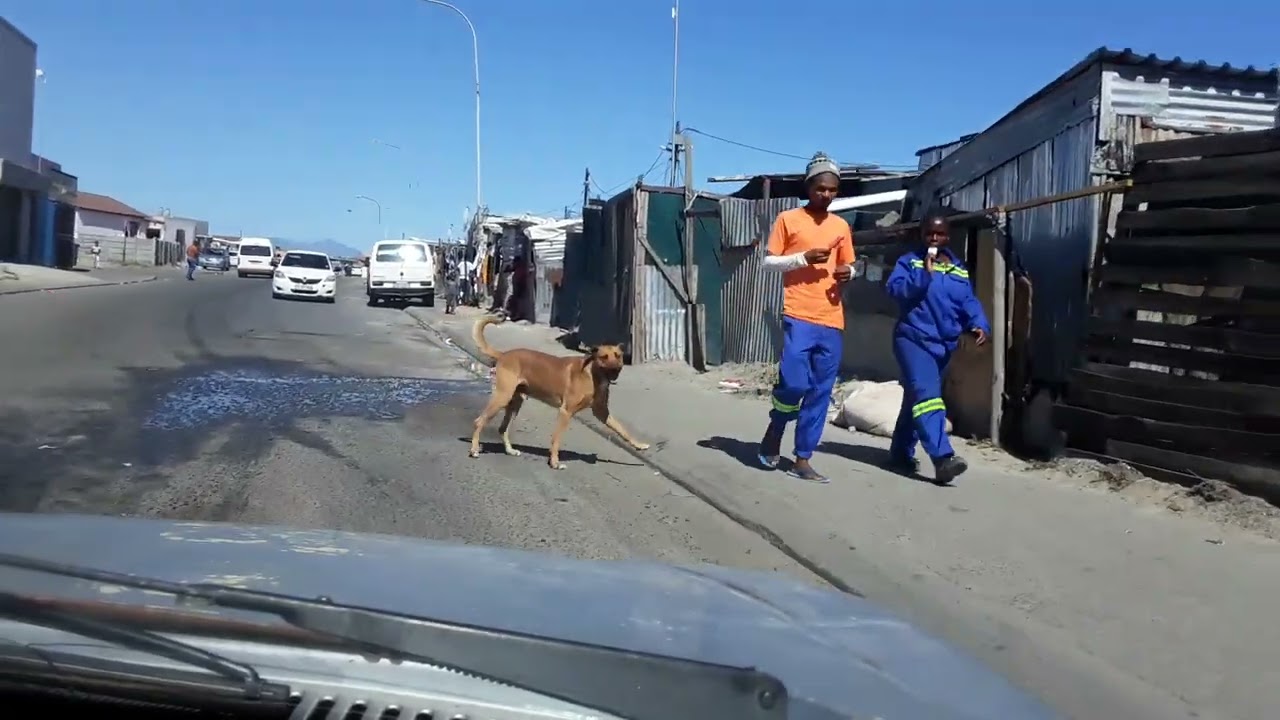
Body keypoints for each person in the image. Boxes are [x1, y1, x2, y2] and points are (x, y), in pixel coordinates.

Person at [756, 152, 855, 483]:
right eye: (821, 188)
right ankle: (776, 426)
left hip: (832, 318)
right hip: (798, 313)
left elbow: (849, 265)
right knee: (795, 383)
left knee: (820, 391)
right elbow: (768, 263)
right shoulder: (788, 219)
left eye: (832, 190)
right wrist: (802, 258)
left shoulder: (841, 226)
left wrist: (849, 272)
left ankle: (802, 458)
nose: (826, 195)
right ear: (809, 186)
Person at [884, 209, 992, 484]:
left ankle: (899, 455)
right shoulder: (910, 262)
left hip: (944, 345)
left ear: (948, 235)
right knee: (927, 395)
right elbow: (894, 290)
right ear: (921, 235)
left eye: (940, 233)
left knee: (915, 400)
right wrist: (923, 277)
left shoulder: (958, 268)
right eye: (929, 233)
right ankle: (942, 457)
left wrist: (979, 323)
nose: (934, 237)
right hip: (913, 339)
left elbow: (968, 300)